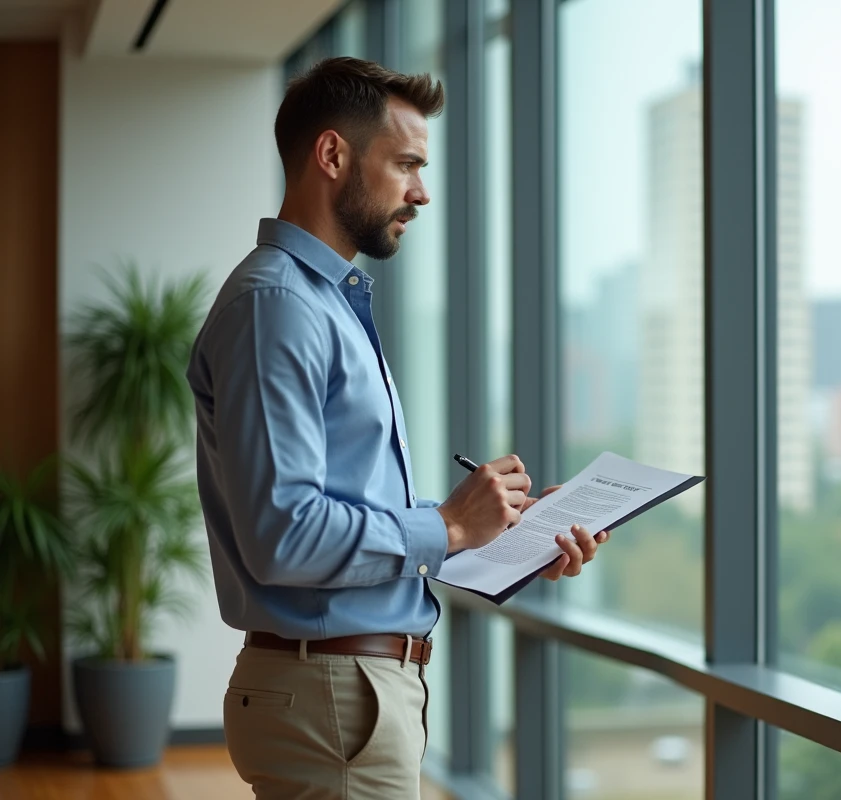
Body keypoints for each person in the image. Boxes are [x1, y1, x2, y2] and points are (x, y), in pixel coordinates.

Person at [186, 57, 608, 799]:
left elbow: (343, 522)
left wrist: (505, 536)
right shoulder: (278, 307)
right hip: (332, 693)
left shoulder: (321, 304)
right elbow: (284, 535)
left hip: (348, 691)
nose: (422, 190)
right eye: (406, 163)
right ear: (332, 155)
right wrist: (446, 525)